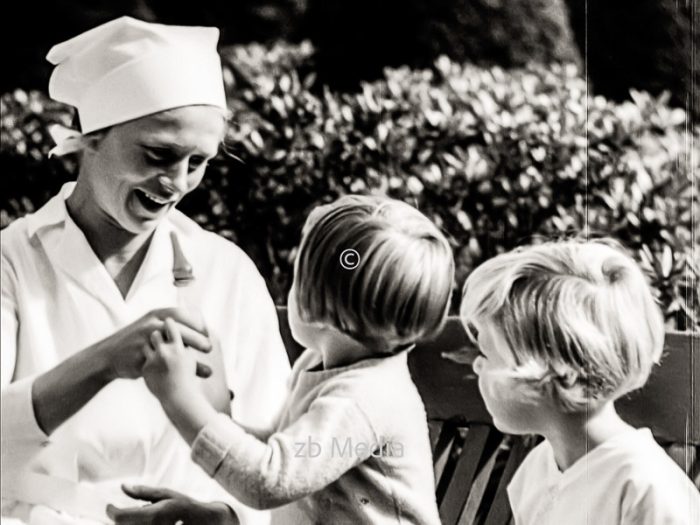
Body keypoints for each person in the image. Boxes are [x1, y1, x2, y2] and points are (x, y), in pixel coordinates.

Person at [1, 16, 291, 525]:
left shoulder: (227, 273)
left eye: (198, 162)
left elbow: (277, 460)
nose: (177, 183)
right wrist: (106, 359)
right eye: (159, 154)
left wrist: (222, 517)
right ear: (92, 136)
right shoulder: (12, 262)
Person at [138, 195, 454, 524]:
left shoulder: (363, 399)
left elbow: (270, 481)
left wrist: (177, 397)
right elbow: (288, 456)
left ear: (312, 304)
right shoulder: (320, 366)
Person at [459, 238, 700, 525]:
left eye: (488, 354)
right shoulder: (538, 470)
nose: (477, 365)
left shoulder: (645, 488)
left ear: (564, 373)